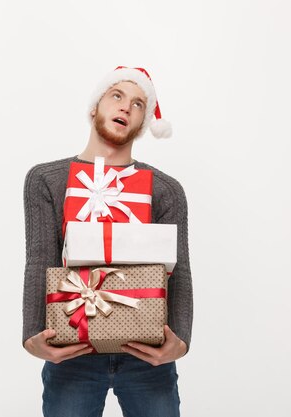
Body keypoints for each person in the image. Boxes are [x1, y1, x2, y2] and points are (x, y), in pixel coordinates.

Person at [22, 66, 193, 417]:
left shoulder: (166, 190)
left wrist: (181, 342)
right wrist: (32, 334)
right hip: (73, 350)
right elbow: (40, 259)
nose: (126, 107)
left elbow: (181, 270)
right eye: (117, 96)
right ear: (94, 107)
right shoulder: (46, 180)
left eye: (139, 104)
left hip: (147, 354)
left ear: (144, 123)